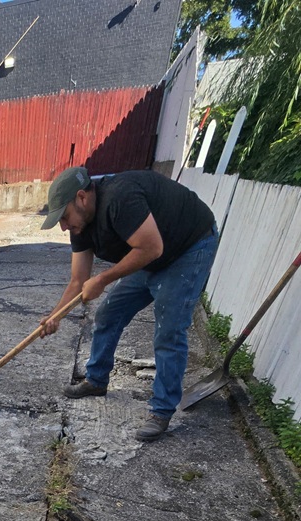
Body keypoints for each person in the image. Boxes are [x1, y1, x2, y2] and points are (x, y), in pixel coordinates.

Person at [40, 166, 218, 441]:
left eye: (64, 217)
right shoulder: (80, 225)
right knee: (109, 313)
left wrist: (104, 279)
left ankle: (161, 410)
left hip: (189, 246)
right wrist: (55, 316)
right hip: (152, 252)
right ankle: (96, 380)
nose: (64, 226)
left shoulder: (120, 199)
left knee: (169, 328)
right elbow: (78, 281)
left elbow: (151, 248)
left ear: (82, 198)